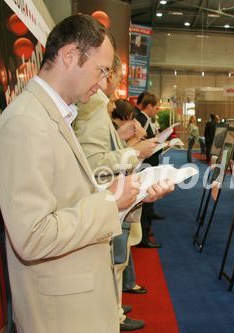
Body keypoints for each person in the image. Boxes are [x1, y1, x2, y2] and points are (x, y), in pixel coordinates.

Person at [0, 15, 172, 332]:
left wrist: (128, 196)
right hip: (60, 313)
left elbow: (69, 201)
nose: (103, 83)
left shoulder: (53, 116)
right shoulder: (26, 123)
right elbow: (33, 235)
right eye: (101, 70)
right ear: (70, 56)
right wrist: (110, 201)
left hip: (74, 301)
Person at [73, 54, 156, 331]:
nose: (116, 83)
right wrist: (134, 151)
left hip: (105, 199)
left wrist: (120, 137)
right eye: (116, 76)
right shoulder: (94, 106)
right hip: (105, 198)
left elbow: (100, 149)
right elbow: (94, 162)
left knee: (116, 262)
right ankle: (113, 313)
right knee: (114, 262)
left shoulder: (96, 107)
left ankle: (115, 309)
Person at [134, 93, 165, 248]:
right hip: (144, 166)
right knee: (144, 201)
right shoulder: (141, 120)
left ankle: (145, 233)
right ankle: (143, 238)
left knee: (148, 200)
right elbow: (142, 146)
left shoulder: (144, 120)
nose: (157, 110)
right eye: (156, 106)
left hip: (147, 164)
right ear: (150, 106)